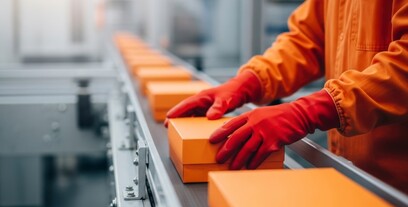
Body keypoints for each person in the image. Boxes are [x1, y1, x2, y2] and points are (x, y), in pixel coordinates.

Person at [165, 0, 408, 195]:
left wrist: (311, 111)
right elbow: (307, 41)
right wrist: (250, 81)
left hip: (396, 191)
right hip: (349, 177)